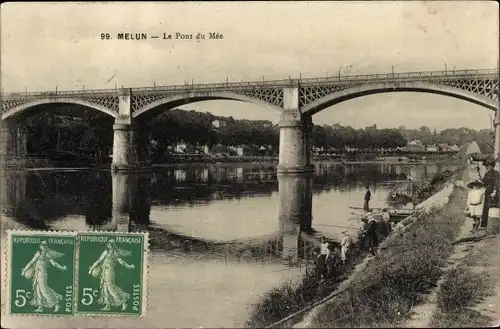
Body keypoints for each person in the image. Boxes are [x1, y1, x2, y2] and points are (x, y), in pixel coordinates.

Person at [88, 239, 135, 311]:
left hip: (108, 271)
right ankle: (107, 305)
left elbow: (98, 261)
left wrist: (91, 269)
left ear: (110, 245)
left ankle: (123, 301)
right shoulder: (113, 253)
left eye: (109, 244)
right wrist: (130, 266)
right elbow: (122, 263)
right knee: (105, 288)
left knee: (110, 287)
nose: (108, 245)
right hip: (106, 271)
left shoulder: (107, 253)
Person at [21, 241, 67, 313]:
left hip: (43, 274)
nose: (44, 246)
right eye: (42, 245)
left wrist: (62, 268)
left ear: (46, 246)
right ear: (40, 246)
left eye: (45, 245)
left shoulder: (48, 254)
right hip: (37, 273)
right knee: (38, 290)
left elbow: (54, 264)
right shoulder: (38, 254)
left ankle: (56, 304)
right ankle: (40, 307)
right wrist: (24, 271)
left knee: (43, 289)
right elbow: (31, 262)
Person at [480, 158, 500, 229]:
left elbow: (497, 182)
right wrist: (479, 182)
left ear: (492, 166)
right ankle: (484, 225)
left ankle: (493, 225)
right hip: (487, 193)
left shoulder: (496, 173)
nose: (486, 167)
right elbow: (483, 182)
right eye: (485, 166)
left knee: (493, 208)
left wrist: (494, 191)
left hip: (493, 193)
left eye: (487, 166)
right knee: (486, 208)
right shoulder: (486, 173)